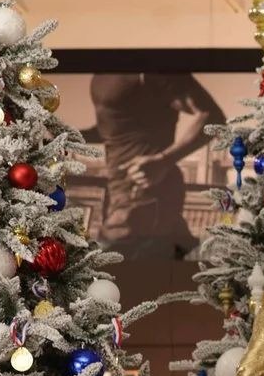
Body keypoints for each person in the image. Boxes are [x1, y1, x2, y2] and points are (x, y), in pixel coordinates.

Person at [88, 72, 219, 257]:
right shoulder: (101, 74)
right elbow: (113, 127)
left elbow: (212, 115)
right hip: (118, 193)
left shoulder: (152, 67)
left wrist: (164, 160)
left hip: (144, 193)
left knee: (105, 271)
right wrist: (69, 135)